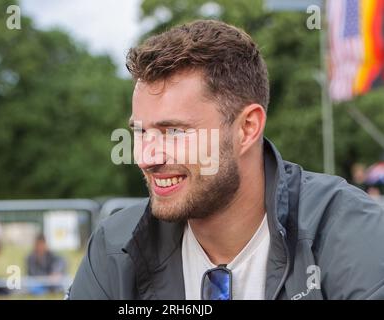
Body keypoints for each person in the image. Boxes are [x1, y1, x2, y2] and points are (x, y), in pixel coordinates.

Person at [68, 20, 384, 300]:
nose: (146, 157)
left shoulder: (350, 234)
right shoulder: (116, 248)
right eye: (140, 132)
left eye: (174, 131)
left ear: (247, 128)